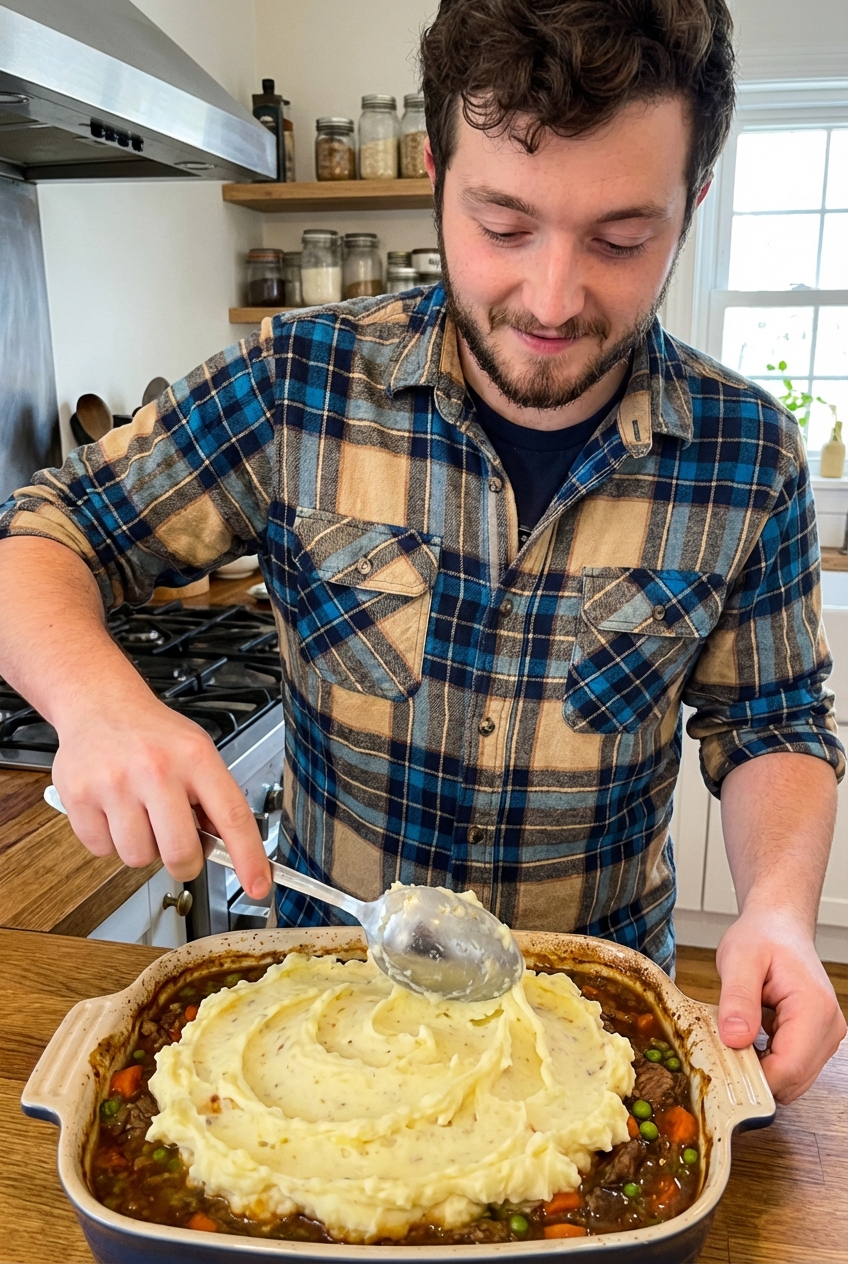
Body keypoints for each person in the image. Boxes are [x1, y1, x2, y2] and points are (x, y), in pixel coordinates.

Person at [0, 0, 843, 1103]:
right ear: (438, 172)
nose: (550, 298)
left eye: (619, 240)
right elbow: (48, 531)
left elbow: (770, 720)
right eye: (501, 225)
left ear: (690, 203)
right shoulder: (293, 384)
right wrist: (101, 706)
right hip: (312, 1015)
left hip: (592, 1033)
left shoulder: (749, 456)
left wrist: (777, 906)